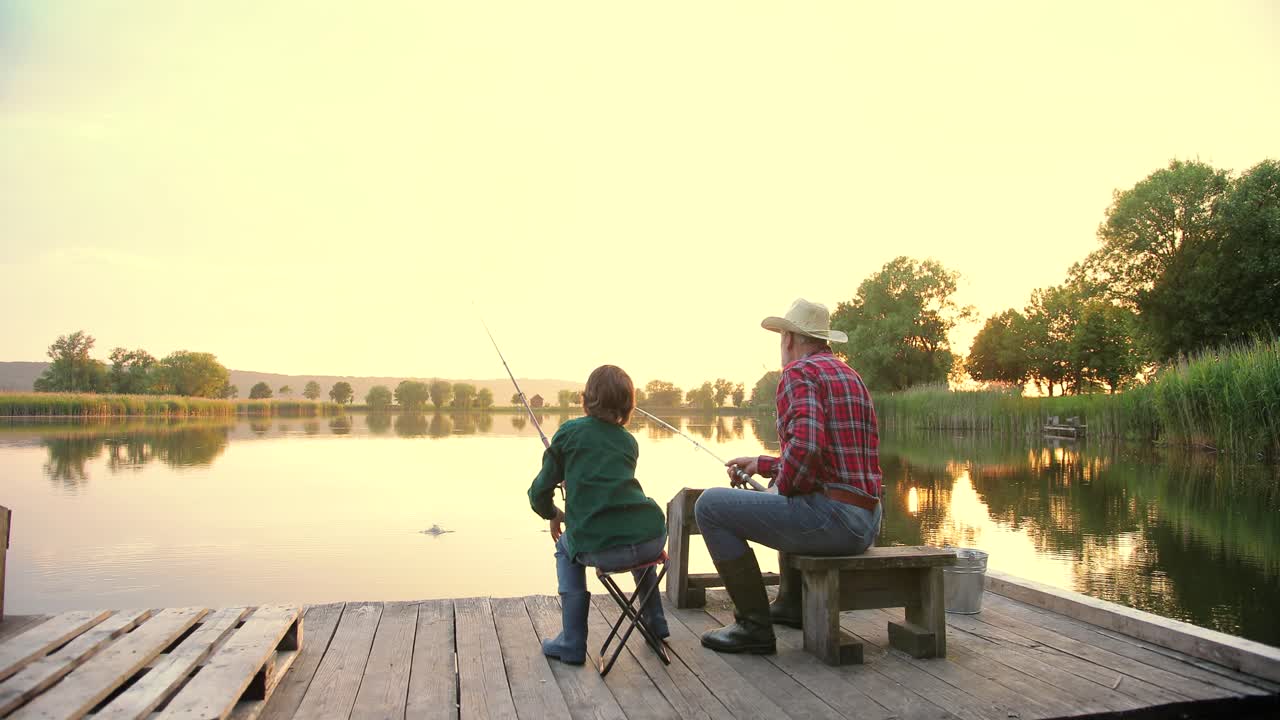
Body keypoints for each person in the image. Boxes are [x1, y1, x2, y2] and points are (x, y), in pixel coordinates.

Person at [696, 298, 883, 654]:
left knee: (710, 507)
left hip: (837, 523)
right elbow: (825, 459)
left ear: (789, 339)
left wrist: (778, 490)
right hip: (867, 521)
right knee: (778, 486)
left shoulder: (799, 373)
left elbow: (808, 449)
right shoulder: (850, 376)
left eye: (782, 336)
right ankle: (791, 604)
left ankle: (753, 627)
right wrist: (764, 465)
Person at [528, 364, 670, 664]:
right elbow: (609, 490)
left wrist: (553, 512)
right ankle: (656, 622)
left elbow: (539, 492)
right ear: (628, 404)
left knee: (565, 550)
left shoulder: (568, 432)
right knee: (631, 535)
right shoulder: (629, 442)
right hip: (651, 538)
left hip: (603, 547)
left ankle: (572, 642)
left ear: (587, 398)